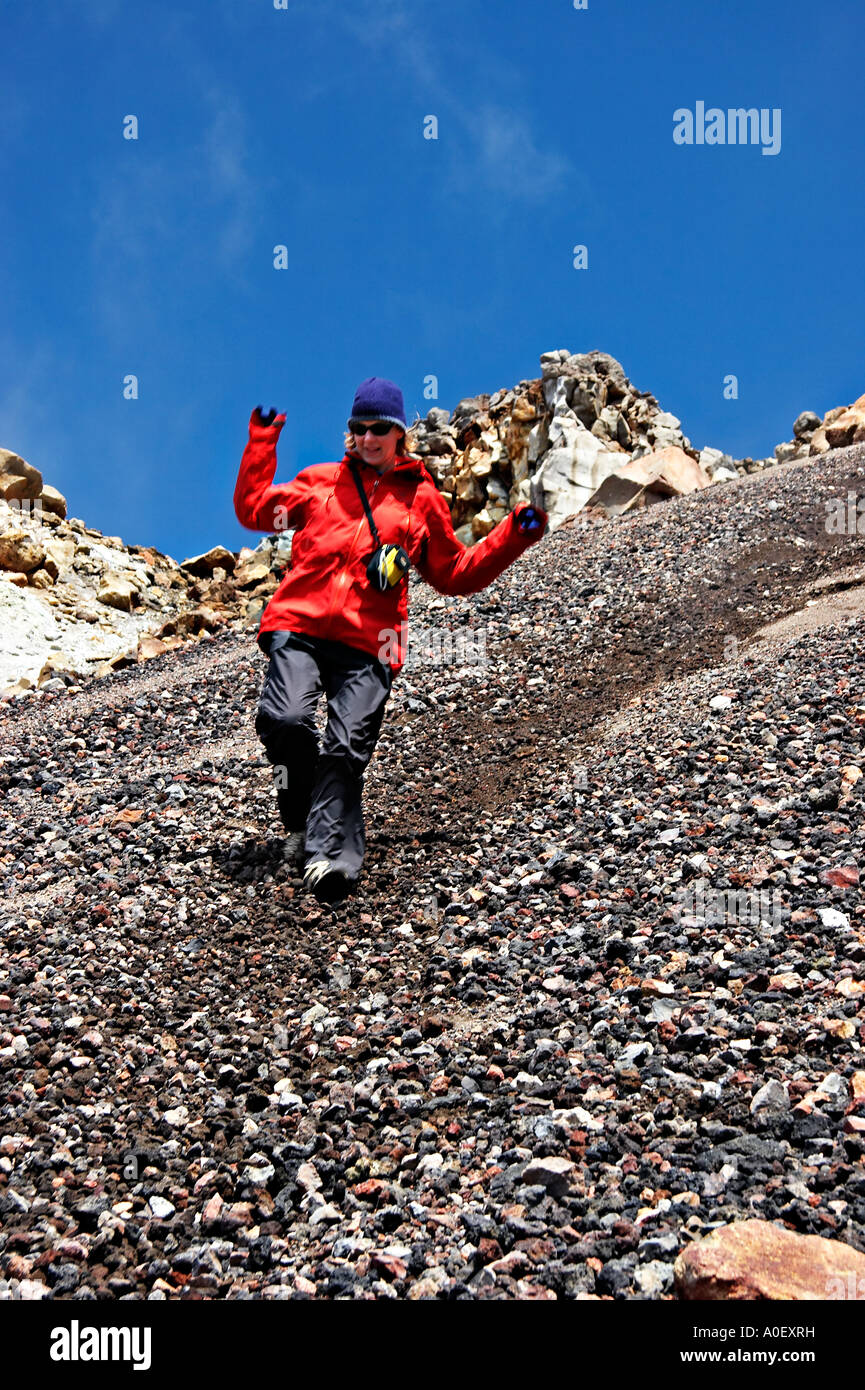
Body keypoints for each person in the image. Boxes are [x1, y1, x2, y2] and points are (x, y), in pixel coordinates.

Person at [233, 376, 548, 905]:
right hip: (300, 624)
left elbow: (455, 573)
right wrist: (263, 439)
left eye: (381, 428)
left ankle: (329, 857)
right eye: (360, 428)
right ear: (351, 432)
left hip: (369, 642)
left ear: (400, 433)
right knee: (283, 721)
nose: (370, 436)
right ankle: (304, 813)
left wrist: (513, 533)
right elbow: (253, 511)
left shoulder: (420, 499)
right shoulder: (321, 481)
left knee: (346, 744)